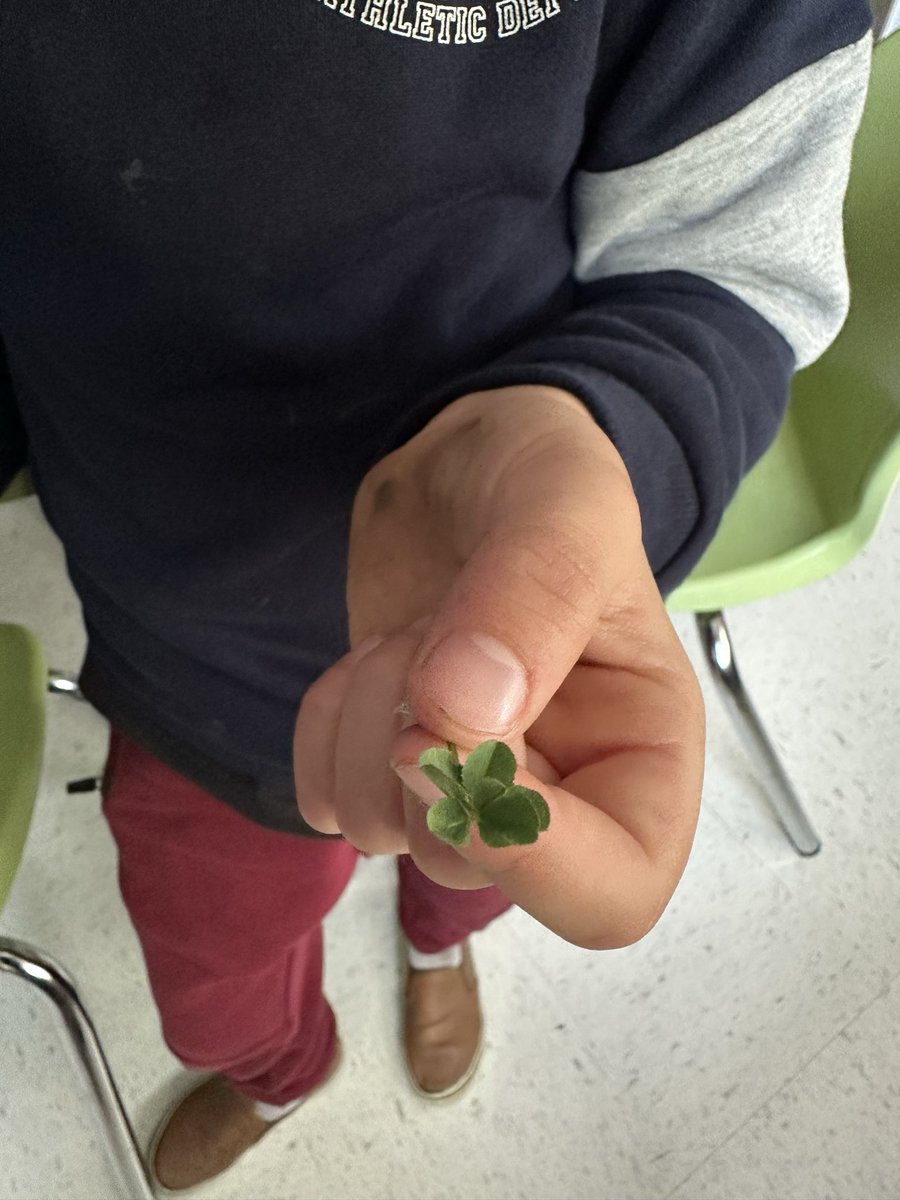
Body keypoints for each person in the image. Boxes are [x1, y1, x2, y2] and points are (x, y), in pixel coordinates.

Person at [0, 0, 873, 1191]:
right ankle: (278, 1069)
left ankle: (437, 947)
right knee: (211, 982)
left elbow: (729, 262)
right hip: (172, 639)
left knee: (475, 859)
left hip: (498, 582)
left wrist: (596, 437)